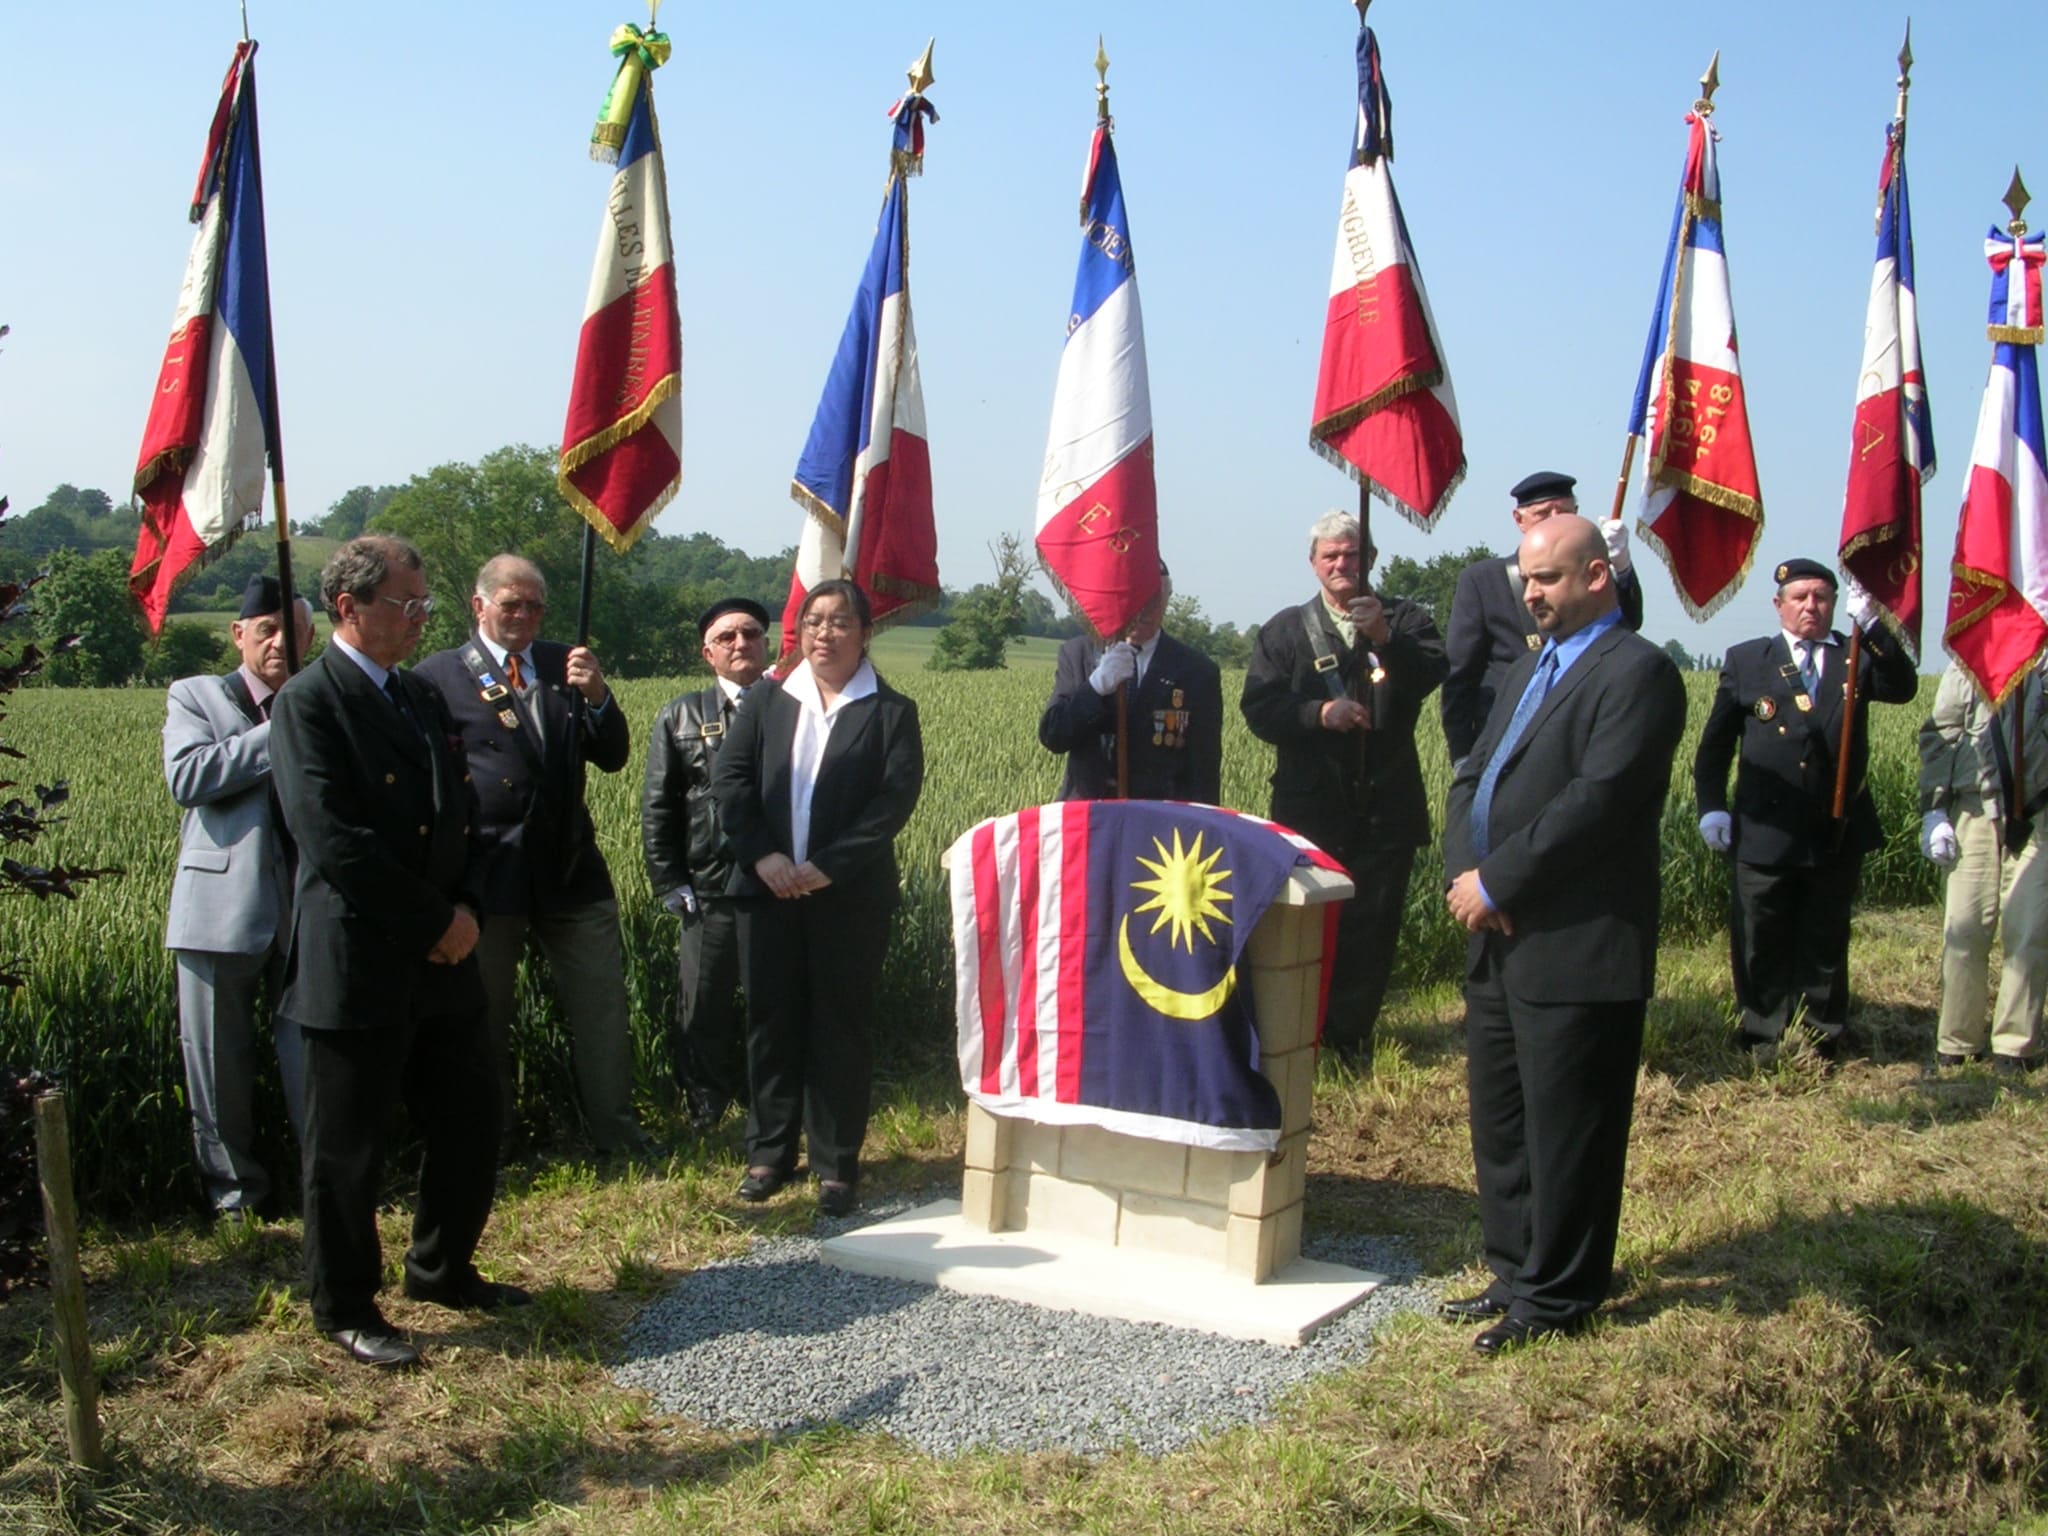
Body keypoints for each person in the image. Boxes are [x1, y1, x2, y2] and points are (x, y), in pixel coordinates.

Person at [271, 535, 524, 1371]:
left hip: (444, 954)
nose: (419, 621)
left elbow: (461, 813)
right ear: (349, 608)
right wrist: (432, 921)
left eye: (424, 607)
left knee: (471, 1115)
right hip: (361, 959)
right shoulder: (311, 702)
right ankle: (344, 1303)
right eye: (404, 607)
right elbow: (334, 842)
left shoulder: (418, 697)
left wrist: (468, 908)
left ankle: (441, 1269)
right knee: (348, 1146)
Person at [1442, 513, 1686, 1354]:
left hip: (1578, 941)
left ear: (1596, 577)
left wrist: (1502, 879)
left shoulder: (1639, 674)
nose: (1530, 593)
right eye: (1525, 579)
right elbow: (1472, 774)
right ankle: (1514, 1270)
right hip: (1498, 935)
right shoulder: (1529, 668)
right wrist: (1462, 875)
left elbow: (1600, 801)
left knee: (1568, 1126)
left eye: (1546, 578)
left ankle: (1560, 1296)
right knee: (1504, 1120)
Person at [414, 554, 651, 1158]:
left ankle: (617, 1136)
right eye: (510, 604)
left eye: (534, 606)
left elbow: (614, 754)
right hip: (488, 876)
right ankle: (492, 1145)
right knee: (484, 1020)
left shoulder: (564, 664)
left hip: (571, 870)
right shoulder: (437, 675)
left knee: (601, 1011)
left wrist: (598, 696)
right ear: (479, 607)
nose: (523, 616)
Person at [710, 578, 924, 1217]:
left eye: (840, 622)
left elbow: (893, 802)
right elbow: (731, 780)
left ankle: (836, 1164)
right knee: (771, 1021)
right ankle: (769, 1152)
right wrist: (764, 856)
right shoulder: (769, 699)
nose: (825, 633)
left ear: (864, 633)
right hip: (768, 891)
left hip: (848, 898)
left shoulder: (891, 711)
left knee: (840, 1025)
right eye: (814, 622)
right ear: (798, 633)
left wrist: (828, 866)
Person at [1241, 510, 1447, 1063]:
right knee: (1304, 923)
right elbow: (1259, 709)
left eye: (1351, 555)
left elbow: (1432, 674)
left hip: (1387, 805)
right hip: (1310, 808)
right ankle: (1296, 1034)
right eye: (1330, 556)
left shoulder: (1408, 620)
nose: (1341, 565)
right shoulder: (1284, 630)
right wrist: (1318, 713)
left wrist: (1384, 636)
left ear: (1371, 560)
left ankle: (1349, 1040)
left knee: (1371, 927)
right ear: (1313, 565)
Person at [1692, 557, 1919, 1055]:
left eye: (1821, 597)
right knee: (1759, 934)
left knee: (1825, 934)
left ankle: (1823, 1034)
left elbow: (1903, 689)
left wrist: (1876, 625)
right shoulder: (1748, 659)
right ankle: (1762, 1032)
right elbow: (1713, 749)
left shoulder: (1855, 654)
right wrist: (1712, 806)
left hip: (1834, 826)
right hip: (1763, 824)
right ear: (1779, 605)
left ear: (1836, 604)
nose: (1810, 606)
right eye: (1800, 597)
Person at [161, 575, 314, 1219]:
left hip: (307, 907)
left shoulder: (323, 697)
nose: (281, 643)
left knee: (311, 1053)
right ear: (239, 635)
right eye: (267, 630)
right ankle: (235, 1198)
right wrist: (278, 729)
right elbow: (189, 776)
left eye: (295, 632)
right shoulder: (196, 695)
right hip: (219, 911)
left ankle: (322, 1188)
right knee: (215, 1063)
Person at [642, 596, 771, 1129]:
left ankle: (772, 1101)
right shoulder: (681, 714)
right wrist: (668, 878)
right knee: (704, 1003)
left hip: (775, 882)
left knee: (773, 1000)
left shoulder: (793, 707)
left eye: (751, 634)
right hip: (708, 884)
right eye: (727, 638)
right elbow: (658, 804)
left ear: (767, 644)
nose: (741, 644)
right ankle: (705, 1106)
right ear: (708, 653)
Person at [1440, 471, 1644, 767]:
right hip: (1504, 742)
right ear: (1519, 520)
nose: (1554, 520)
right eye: (1543, 514)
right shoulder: (1483, 580)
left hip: (1576, 739)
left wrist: (1622, 567)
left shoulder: (1587, 578)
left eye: (1563, 511)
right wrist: (1462, 757)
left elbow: (1628, 624)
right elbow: (1460, 675)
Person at [1916, 661, 2048, 1071]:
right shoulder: (1970, 657)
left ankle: (2015, 1044)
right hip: (1973, 808)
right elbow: (1941, 735)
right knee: (1964, 927)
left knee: (2029, 930)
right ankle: (1958, 1039)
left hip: (2039, 812)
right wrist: (1933, 810)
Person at [1037, 566, 1222, 803]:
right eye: (1135, 599)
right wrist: (1095, 687)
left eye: (1154, 600)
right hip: (1089, 816)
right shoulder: (1078, 654)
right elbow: (1054, 735)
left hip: (1157, 824)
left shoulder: (1197, 670)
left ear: (1168, 598)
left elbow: (1204, 771)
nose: (1143, 611)